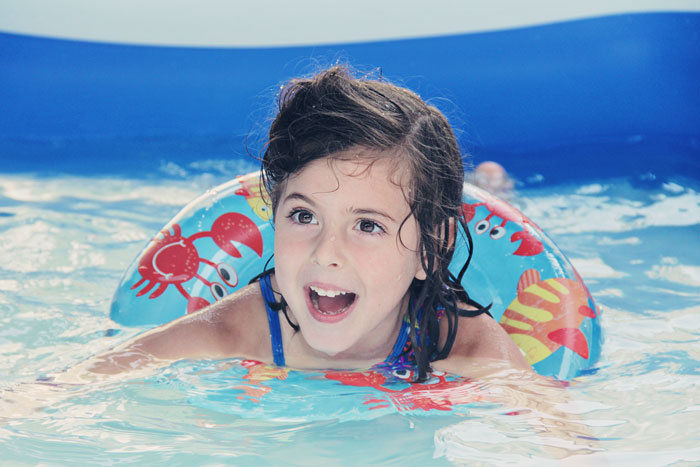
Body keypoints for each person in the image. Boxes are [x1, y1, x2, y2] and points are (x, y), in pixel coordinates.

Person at [76, 66, 530, 383]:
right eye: (304, 215)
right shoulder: (237, 329)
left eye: (367, 225)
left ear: (431, 250)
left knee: (485, 193)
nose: (326, 252)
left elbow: (558, 434)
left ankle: (494, 187)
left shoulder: (462, 345)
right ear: (274, 216)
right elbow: (69, 389)